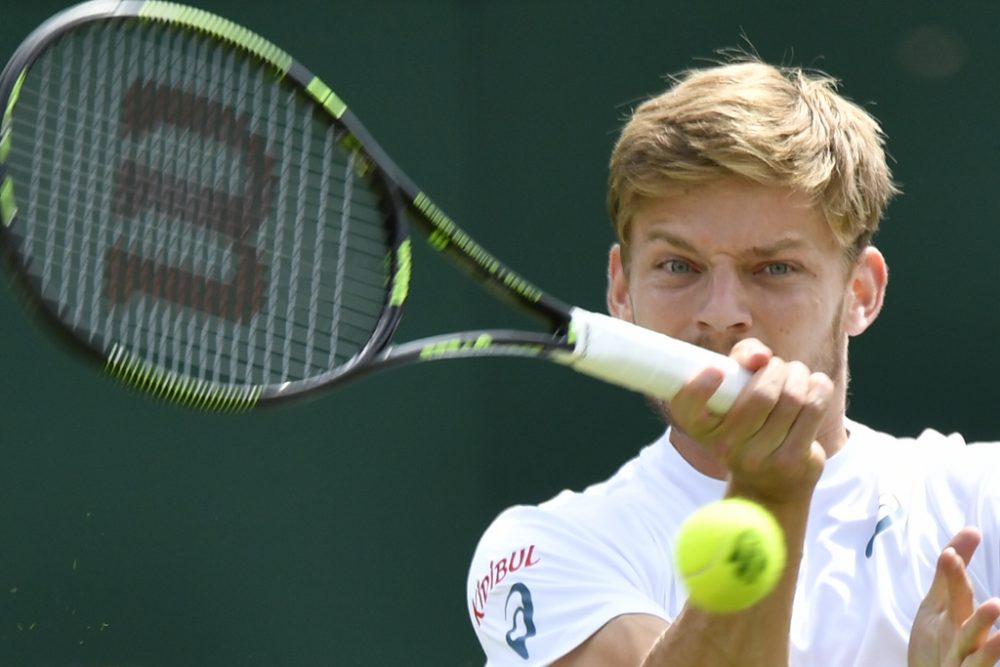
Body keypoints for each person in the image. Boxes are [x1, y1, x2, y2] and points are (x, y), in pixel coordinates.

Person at [465, 56, 1000, 667]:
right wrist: (768, 496)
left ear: (861, 293)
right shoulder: (544, 550)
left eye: (773, 269)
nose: (721, 314)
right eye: (678, 267)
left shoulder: (984, 499)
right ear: (621, 290)